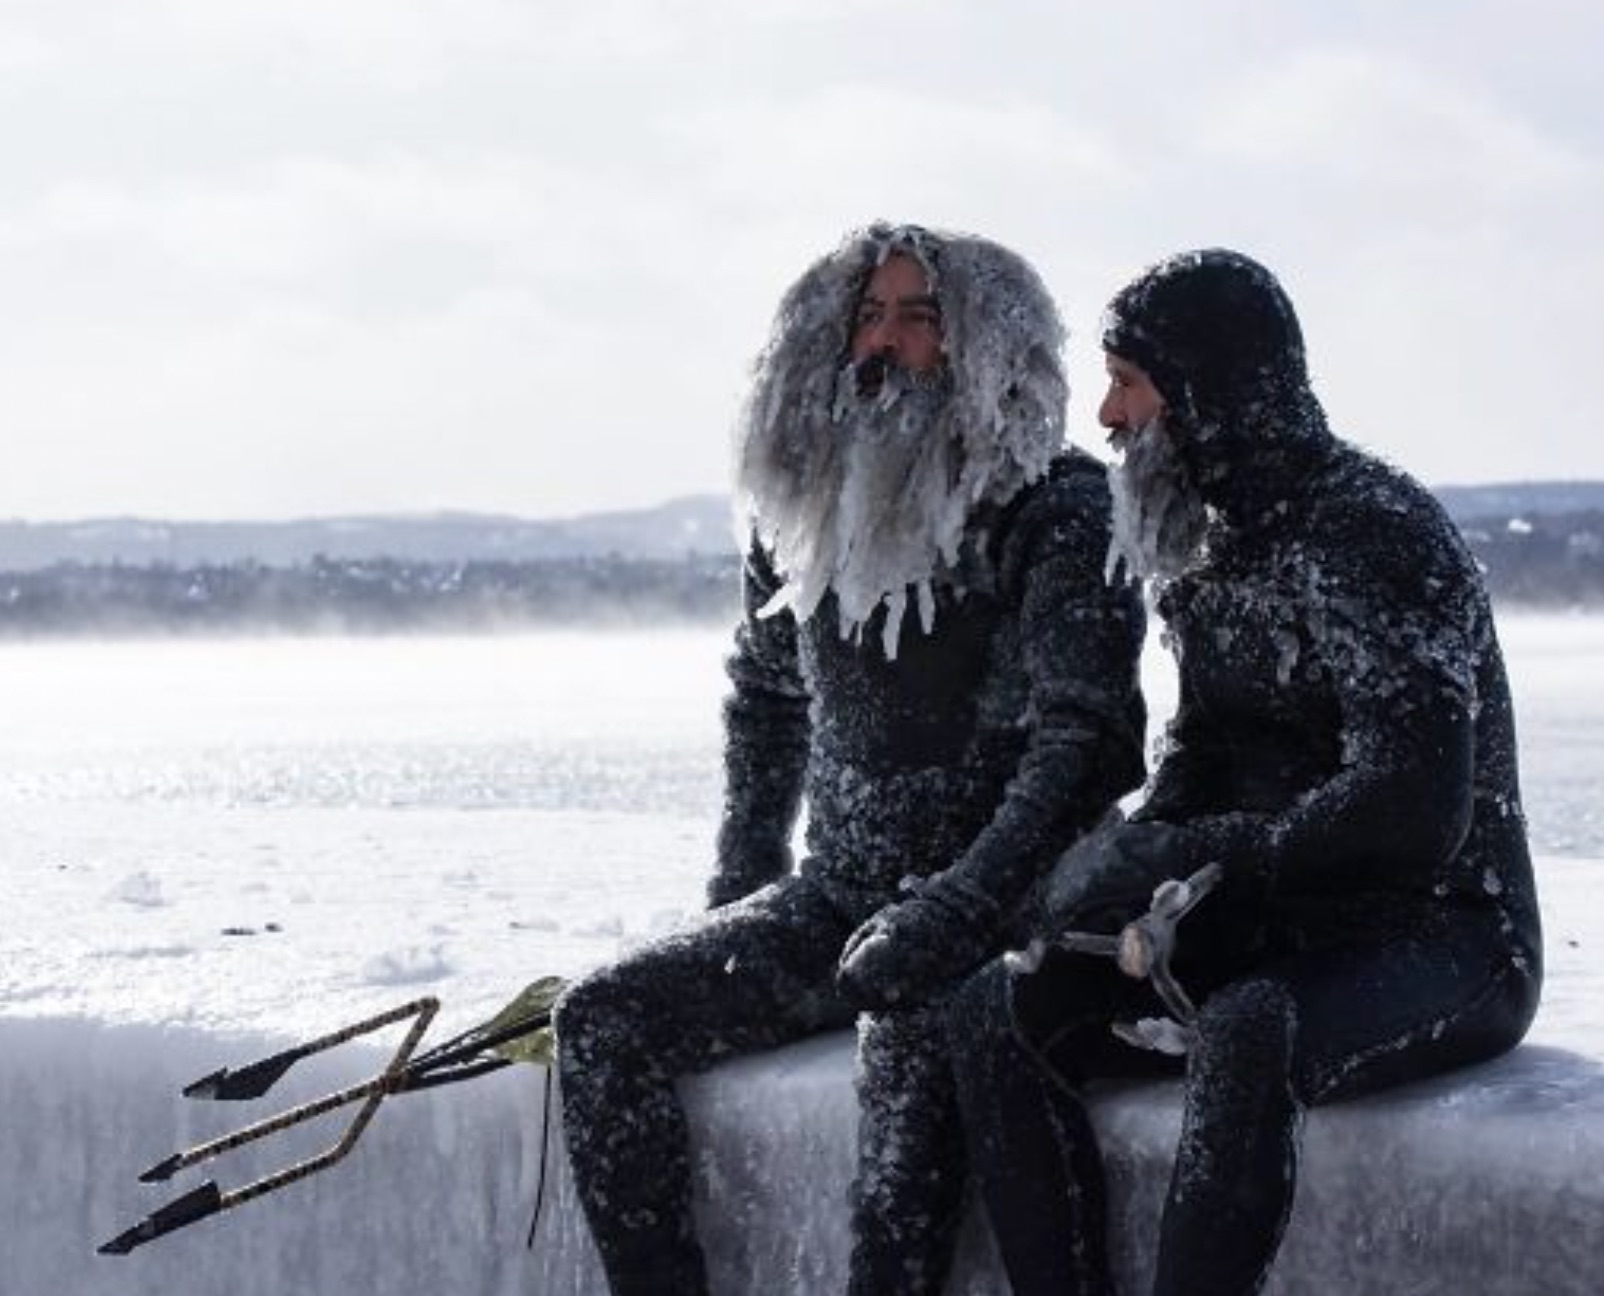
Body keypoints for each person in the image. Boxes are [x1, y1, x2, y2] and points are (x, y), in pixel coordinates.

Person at [553, 221, 1148, 1296]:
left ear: (986, 344)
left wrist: (958, 911)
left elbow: (1090, 743)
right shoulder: (808, 511)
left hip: (1009, 917)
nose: (887, 342)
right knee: (599, 1023)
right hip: (843, 896)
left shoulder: (1056, 506)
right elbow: (769, 698)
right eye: (868, 316)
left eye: (921, 318)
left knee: (906, 1089)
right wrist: (739, 889)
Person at [945, 249, 1544, 1296]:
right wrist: (1124, 856)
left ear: (1206, 391)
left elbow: (1415, 807)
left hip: (1449, 930)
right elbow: (1207, 749)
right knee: (998, 1008)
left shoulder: (1371, 532)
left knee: (1248, 1026)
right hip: (1279, 906)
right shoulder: (1207, 538)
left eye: (1128, 381)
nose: (1107, 412)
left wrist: (1210, 851)